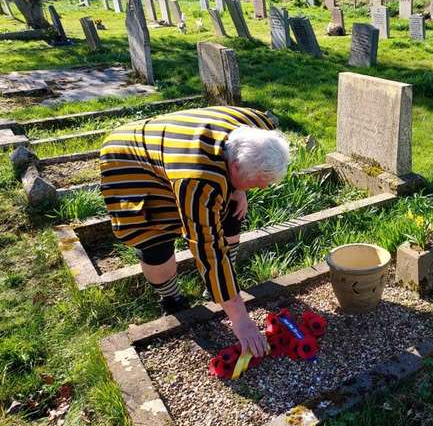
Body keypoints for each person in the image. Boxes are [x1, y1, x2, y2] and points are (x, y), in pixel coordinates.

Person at [100, 105, 290, 357]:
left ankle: (221, 285)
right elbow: (206, 246)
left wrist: (239, 189)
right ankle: (172, 299)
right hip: (128, 161)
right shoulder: (199, 180)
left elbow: (236, 171)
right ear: (233, 165)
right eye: (258, 182)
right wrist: (240, 319)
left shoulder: (258, 126)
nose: (264, 189)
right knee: (156, 237)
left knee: (231, 209)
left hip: (179, 151)